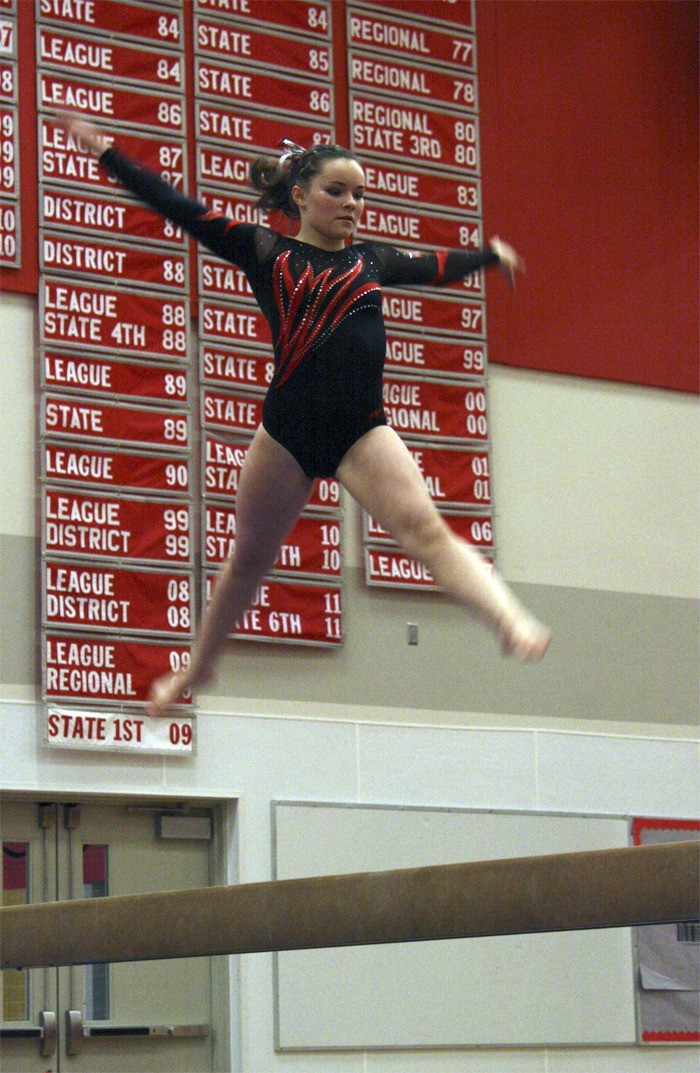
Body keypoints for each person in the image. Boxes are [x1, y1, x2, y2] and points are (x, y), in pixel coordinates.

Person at [56, 114, 552, 717]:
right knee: (248, 561)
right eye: (336, 191)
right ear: (299, 195)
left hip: (361, 433)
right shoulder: (266, 251)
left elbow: (434, 266)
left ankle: (508, 618)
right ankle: (198, 665)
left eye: (360, 194)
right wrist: (109, 154)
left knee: (424, 531)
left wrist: (488, 256)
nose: (351, 204)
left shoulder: (371, 262)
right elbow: (178, 207)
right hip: (286, 434)